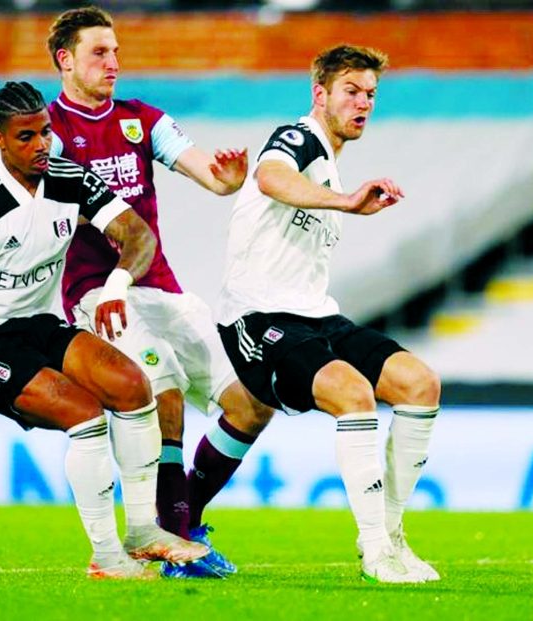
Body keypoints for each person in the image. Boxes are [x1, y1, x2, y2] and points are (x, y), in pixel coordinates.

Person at [0, 81, 211, 579]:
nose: (40, 146)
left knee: (131, 385)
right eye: (25, 137)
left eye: (45, 132)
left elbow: (137, 234)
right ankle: (105, 557)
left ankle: (144, 531)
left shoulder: (66, 177)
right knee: (85, 416)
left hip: (38, 324)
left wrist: (118, 283)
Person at [45, 6, 275, 578]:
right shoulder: (45, 132)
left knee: (254, 401)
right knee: (162, 385)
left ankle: (182, 517)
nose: (113, 62)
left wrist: (224, 177)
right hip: (99, 294)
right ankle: (173, 541)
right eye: (99, 52)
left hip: (162, 287)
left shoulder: (141, 119)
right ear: (64, 59)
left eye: (117, 51)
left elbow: (208, 173)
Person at [216, 44, 442, 584]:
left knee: (420, 382)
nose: (363, 103)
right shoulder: (299, 138)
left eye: (370, 95)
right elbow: (270, 177)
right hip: (256, 318)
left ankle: (392, 535)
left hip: (315, 317)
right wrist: (344, 203)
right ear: (320, 94)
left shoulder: (331, 169)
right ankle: (374, 552)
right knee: (352, 393)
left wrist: (345, 201)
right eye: (351, 91)